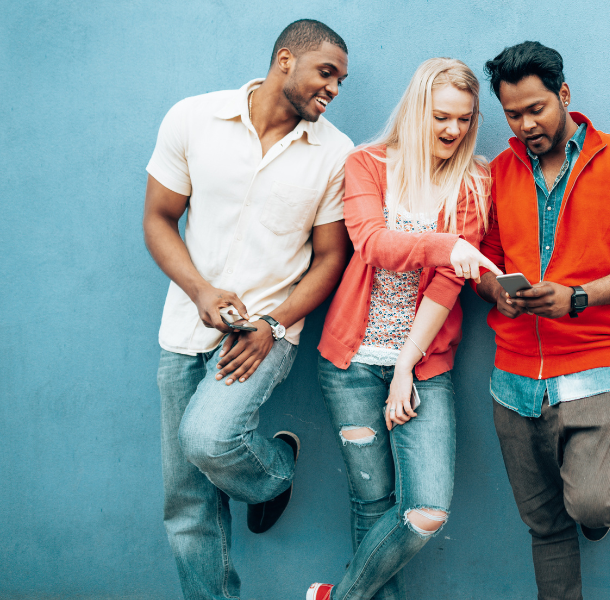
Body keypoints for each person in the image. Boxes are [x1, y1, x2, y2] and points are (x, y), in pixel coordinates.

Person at [143, 19, 354, 600]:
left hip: (267, 332)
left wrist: (273, 324)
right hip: (185, 325)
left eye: (341, 80)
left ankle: (273, 474)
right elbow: (159, 217)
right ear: (285, 60)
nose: (334, 88)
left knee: (208, 439)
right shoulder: (193, 118)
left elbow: (331, 258)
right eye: (325, 72)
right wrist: (201, 291)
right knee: (186, 502)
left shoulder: (335, 153)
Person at [473, 41, 610, 600]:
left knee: (593, 502)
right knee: (544, 527)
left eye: (537, 108)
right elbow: (486, 260)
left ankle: (595, 514)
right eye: (514, 114)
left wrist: (578, 298)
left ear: (564, 95)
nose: (527, 123)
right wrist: (496, 291)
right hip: (512, 381)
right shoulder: (502, 171)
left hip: (595, 368)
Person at [306, 57, 498, 600]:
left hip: (423, 367)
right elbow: (372, 244)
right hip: (349, 365)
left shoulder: (472, 182)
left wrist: (405, 366)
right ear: (417, 111)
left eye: (464, 119)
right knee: (372, 504)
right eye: (441, 117)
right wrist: (448, 245)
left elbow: (445, 284)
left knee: (426, 510)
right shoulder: (366, 165)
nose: (453, 131)